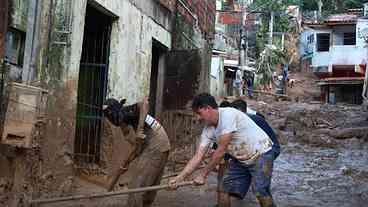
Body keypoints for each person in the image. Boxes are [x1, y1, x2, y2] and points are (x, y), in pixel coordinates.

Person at [169, 93, 277, 207]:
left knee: (260, 191)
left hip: (262, 153)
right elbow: (198, 156)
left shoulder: (228, 115)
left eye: (199, 113)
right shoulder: (208, 130)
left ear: (208, 108)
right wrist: (179, 178)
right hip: (242, 159)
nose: (198, 118)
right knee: (223, 187)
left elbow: (220, 151)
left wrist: (203, 174)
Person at [103, 98, 171, 207]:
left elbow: (144, 103)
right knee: (148, 186)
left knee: (136, 188)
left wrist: (140, 129)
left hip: (155, 144)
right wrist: (125, 164)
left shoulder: (126, 112)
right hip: (161, 144)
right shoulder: (125, 120)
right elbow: (136, 149)